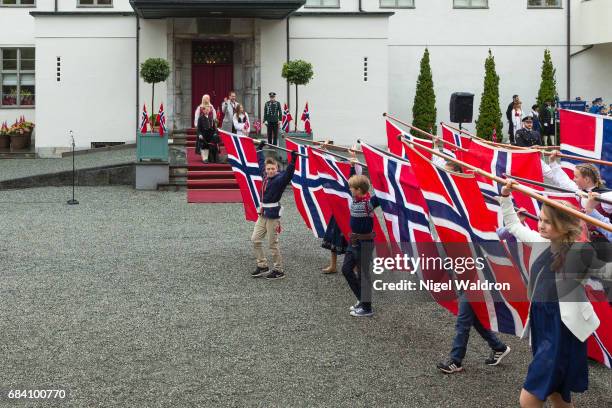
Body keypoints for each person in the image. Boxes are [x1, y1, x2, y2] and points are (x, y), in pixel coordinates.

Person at [499, 180, 611, 408]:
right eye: (540, 219)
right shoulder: (540, 242)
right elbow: (512, 224)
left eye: (548, 222)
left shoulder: (580, 252)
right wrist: (506, 197)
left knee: (530, 395)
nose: (540, 225)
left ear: (563, 225)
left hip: (563, 329)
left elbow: (607, 272)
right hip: (542, 320)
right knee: (557, 394)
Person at [437, 161, 511, 374]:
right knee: (472, 313)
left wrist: (509, 228)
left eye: (450, 174)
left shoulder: (469, 201)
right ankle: (498, 346)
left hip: (478, 267)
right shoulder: (448, 202)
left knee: (463, 317)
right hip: (461, 265)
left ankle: (456, 360)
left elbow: (489, 234)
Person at [251, 142, 297, 280]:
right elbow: (260, 163)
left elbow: (288, 174)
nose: (270, 171)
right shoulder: (265, 175)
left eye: (273, 168)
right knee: (255, 239)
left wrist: (293, 160)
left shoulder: (279, 179)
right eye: (268, 169)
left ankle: (278, 270)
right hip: (263, 214)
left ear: (277, 168)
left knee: (272, 244)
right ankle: (262, 265)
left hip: (273, 216)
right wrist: (259, 150)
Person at [342, 174, 380, 317]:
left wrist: (383, 175)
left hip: (365, 243)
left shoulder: (368, 204)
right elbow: (353, 179)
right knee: (346, 269)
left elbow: (381, 195)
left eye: (351, 187)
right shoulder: (355, 199)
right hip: (354, 242)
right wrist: (352, 165)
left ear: (358, 190)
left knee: (363, 275)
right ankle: (362, 299)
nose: (349, 189)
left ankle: (367, 308)